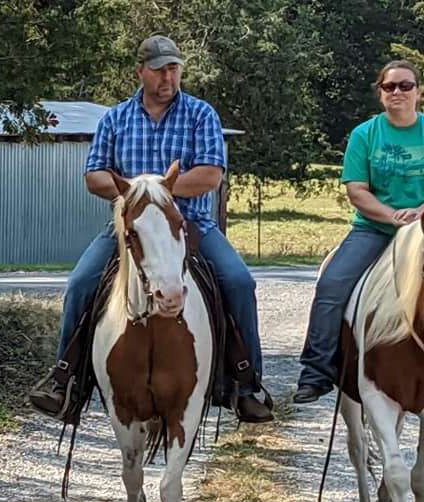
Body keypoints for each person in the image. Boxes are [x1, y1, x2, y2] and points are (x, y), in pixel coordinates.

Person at [30, 35, 272, 421]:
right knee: (80, 283)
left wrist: (158, 192)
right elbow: (94, 177)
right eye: (159, 69)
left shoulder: (200, 114)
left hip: (190, 224)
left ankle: (245, 382)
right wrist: (140, 198)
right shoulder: (115, 118)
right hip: (132, 228)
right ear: (141, 71)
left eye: (174, 68)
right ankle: (66, 380)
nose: (168, 77)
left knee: (239, 281)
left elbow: (210, 175)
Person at [294, 59, 424, 407]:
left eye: (405, 86)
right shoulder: (365, 135)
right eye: (389, 86)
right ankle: (316, 371)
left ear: (418, 93)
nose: (397, 92)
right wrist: (392, 216)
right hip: (375, 229)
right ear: (380, 94)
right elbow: (357, 190)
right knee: (332, 283)